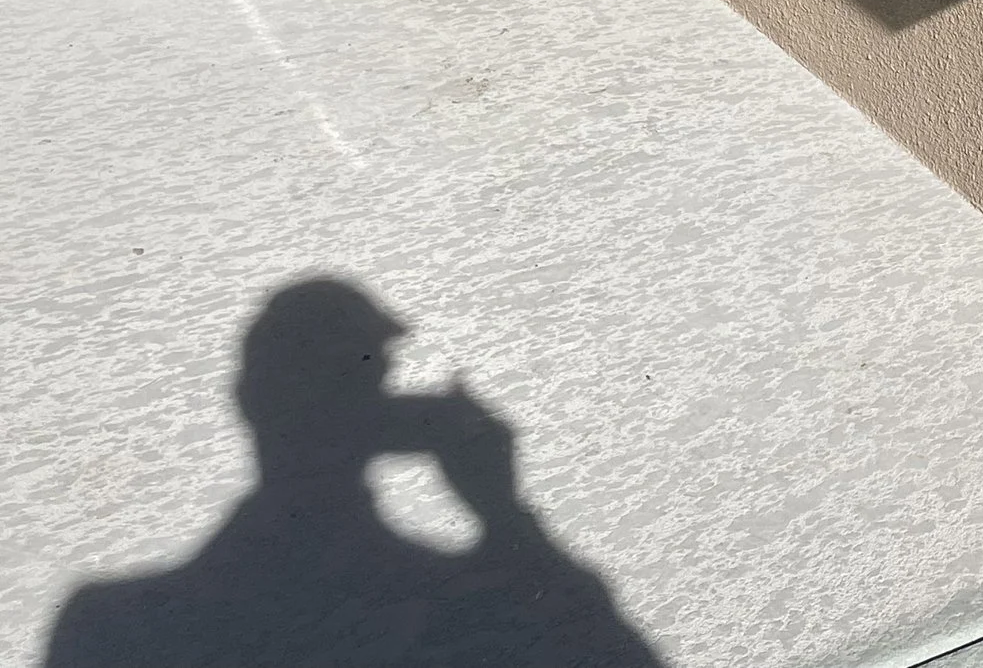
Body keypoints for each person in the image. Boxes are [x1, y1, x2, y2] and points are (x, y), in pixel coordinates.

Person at [46, 279, 663, 667]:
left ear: (243, 399)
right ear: (386, 410)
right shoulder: (481, 606)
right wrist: (503, 517)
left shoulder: (116, 626)